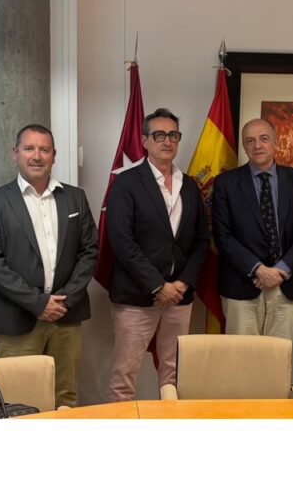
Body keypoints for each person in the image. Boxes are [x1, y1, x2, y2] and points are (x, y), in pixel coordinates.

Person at [0, 124, 98, 408]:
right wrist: (39, 303)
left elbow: (89, 251)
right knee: (16, 399)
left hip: (66, 316)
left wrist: (65, 299)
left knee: (65, 396)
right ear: (15, 153)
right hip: (17, 318)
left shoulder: (75, 197)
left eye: (44, 149)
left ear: (54, 155)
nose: (37, 156)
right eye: (29, 148)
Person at [106, 108, 209, 402]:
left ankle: (170, 426)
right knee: (125, 376)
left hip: (179, 297)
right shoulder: (127, 182)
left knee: (174, 375)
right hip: (137, 297)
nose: (167, 141)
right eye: (159, 135)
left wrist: (182, 284)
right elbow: (122, 241)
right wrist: (157, 285)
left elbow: (201, 241)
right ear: (145, 140)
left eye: (173, 135)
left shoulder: (190, 186)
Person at [212, 118, 293, 339]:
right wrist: (258, 269)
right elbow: (223, 236)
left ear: (276, 142)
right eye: (250, 141)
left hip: (286, 285)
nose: (257, 145)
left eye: (263, 139)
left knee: (278, 357)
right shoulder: (225, 183)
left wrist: (281, 270)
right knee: (241, 356)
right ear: (244, 146)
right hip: (241, 285)